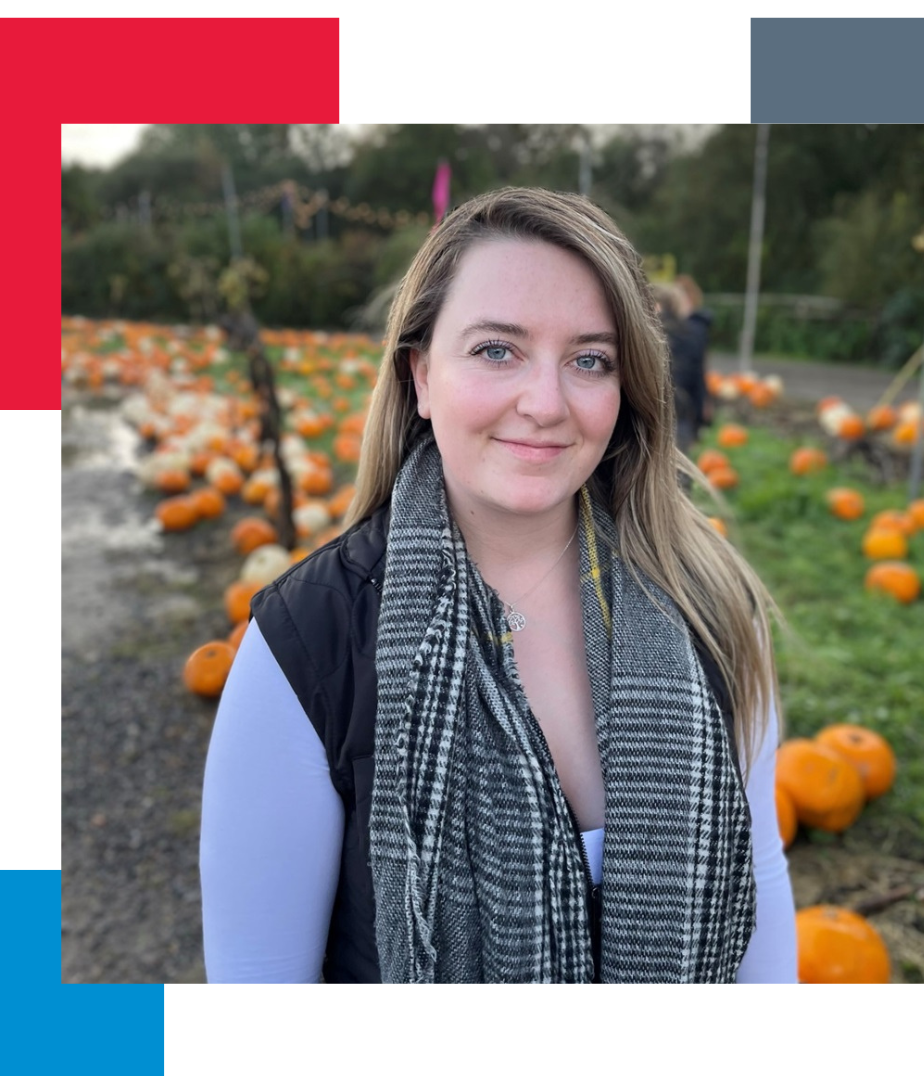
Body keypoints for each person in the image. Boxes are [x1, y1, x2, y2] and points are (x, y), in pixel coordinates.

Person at [200, 187, 797, 983]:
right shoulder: (308, 645)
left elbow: (760, 906)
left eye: (590, 360)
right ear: (419, 373)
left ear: (627, 393)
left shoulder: (710, 607)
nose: (545, 404)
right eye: (495, 350)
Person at [655, 277, 712, 455]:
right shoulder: (692, 334)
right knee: (677, 474)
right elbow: (697, 378)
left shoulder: (648, 335)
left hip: (649, 415)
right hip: (680, 413)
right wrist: (699, 423)